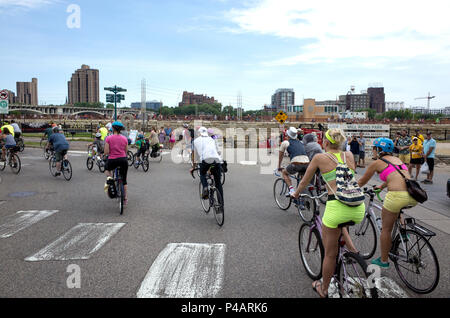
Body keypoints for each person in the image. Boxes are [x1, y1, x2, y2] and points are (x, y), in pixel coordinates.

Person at [291, 129, 365, 298]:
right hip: (357, 207)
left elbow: (305, 181)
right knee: (342, 225)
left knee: (330, 255)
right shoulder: (349, 155)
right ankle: (353, 252)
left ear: (325, 142)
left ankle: (324, 290)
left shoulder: (319, 158)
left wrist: (296, 193)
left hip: (336, 206)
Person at [357, 137, 418, 268]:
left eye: (374, 148)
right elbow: (397, 176)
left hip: (396, 196)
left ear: (379, 150)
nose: (373, 150)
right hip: (413, 195)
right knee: (396, 210)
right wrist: (382, 186)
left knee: (386, 229)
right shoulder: (398, 160)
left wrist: (347, 189)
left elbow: (361, 182)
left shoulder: (377, 163)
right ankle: (403, 232)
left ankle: (384, 261)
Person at [278, 127, 310, 208]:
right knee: (302, 181)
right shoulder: (301, 142)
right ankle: (301, 200)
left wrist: (279, 166)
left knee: (285, 173)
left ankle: (292, 191)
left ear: (287, 135)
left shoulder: (285, 142)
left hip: (296, 163)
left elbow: (280, 156)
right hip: (307, 163)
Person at [191, 127, 224, 206]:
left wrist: (194, 167)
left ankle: (205, 187)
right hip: (216, 160)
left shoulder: (195, 141)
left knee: (202, 173)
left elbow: (195, 157)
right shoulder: (212, 139)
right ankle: (221, 204)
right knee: (218, 182)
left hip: (205, 160)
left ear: (199, 133)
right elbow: (217, 150)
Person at [104, 121, 129, 205]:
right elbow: (126, 151)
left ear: (113, 128)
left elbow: (106, 152)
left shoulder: (109, 138)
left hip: (112, 160)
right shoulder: (125, 138)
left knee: (107, 169)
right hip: (123, 160)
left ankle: (110, 180)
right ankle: (125, 198)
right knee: (124, 180)